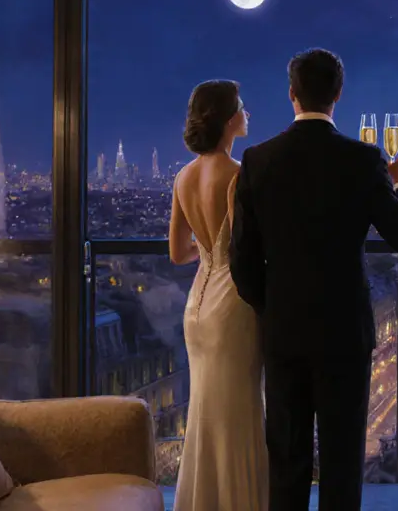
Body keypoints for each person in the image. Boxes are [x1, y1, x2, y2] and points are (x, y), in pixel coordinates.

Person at [231, 48, 398, 510]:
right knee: (342, 460)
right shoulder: (363, 159)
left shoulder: (258, 160)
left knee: (289, 459)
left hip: (285, 330)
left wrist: (272, 306)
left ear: (291, 94)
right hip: (344, 331)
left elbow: (242, 262)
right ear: (338, 95)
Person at [169, 80, 267, 511]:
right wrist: (224, 253)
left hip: (197, 305)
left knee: (204, 415)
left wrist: (208, 252)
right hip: (233, 306)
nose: (247, 114)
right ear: (229, 120)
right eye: (242, 108)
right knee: (240, 416)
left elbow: (177, 253)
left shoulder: (183, 177)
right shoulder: (238, 175)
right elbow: (255, 247)